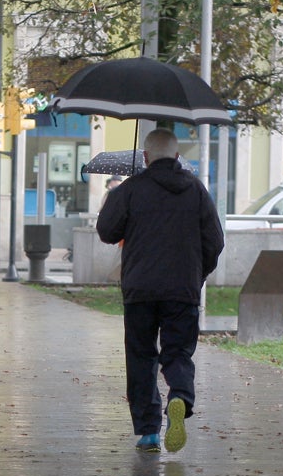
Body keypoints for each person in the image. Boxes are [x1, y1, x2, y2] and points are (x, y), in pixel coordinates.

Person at [96, 129, 224, 453]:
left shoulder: (132, 189)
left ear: (146, 157)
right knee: (177, 353)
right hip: (182, 289)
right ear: (177, 156)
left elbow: (107, 231)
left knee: (141, 356)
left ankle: (148, 431)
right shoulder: (195, 189)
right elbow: (215, 241)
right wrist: (198, 274)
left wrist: (122, 201)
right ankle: (179, 397)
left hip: (140, 289)